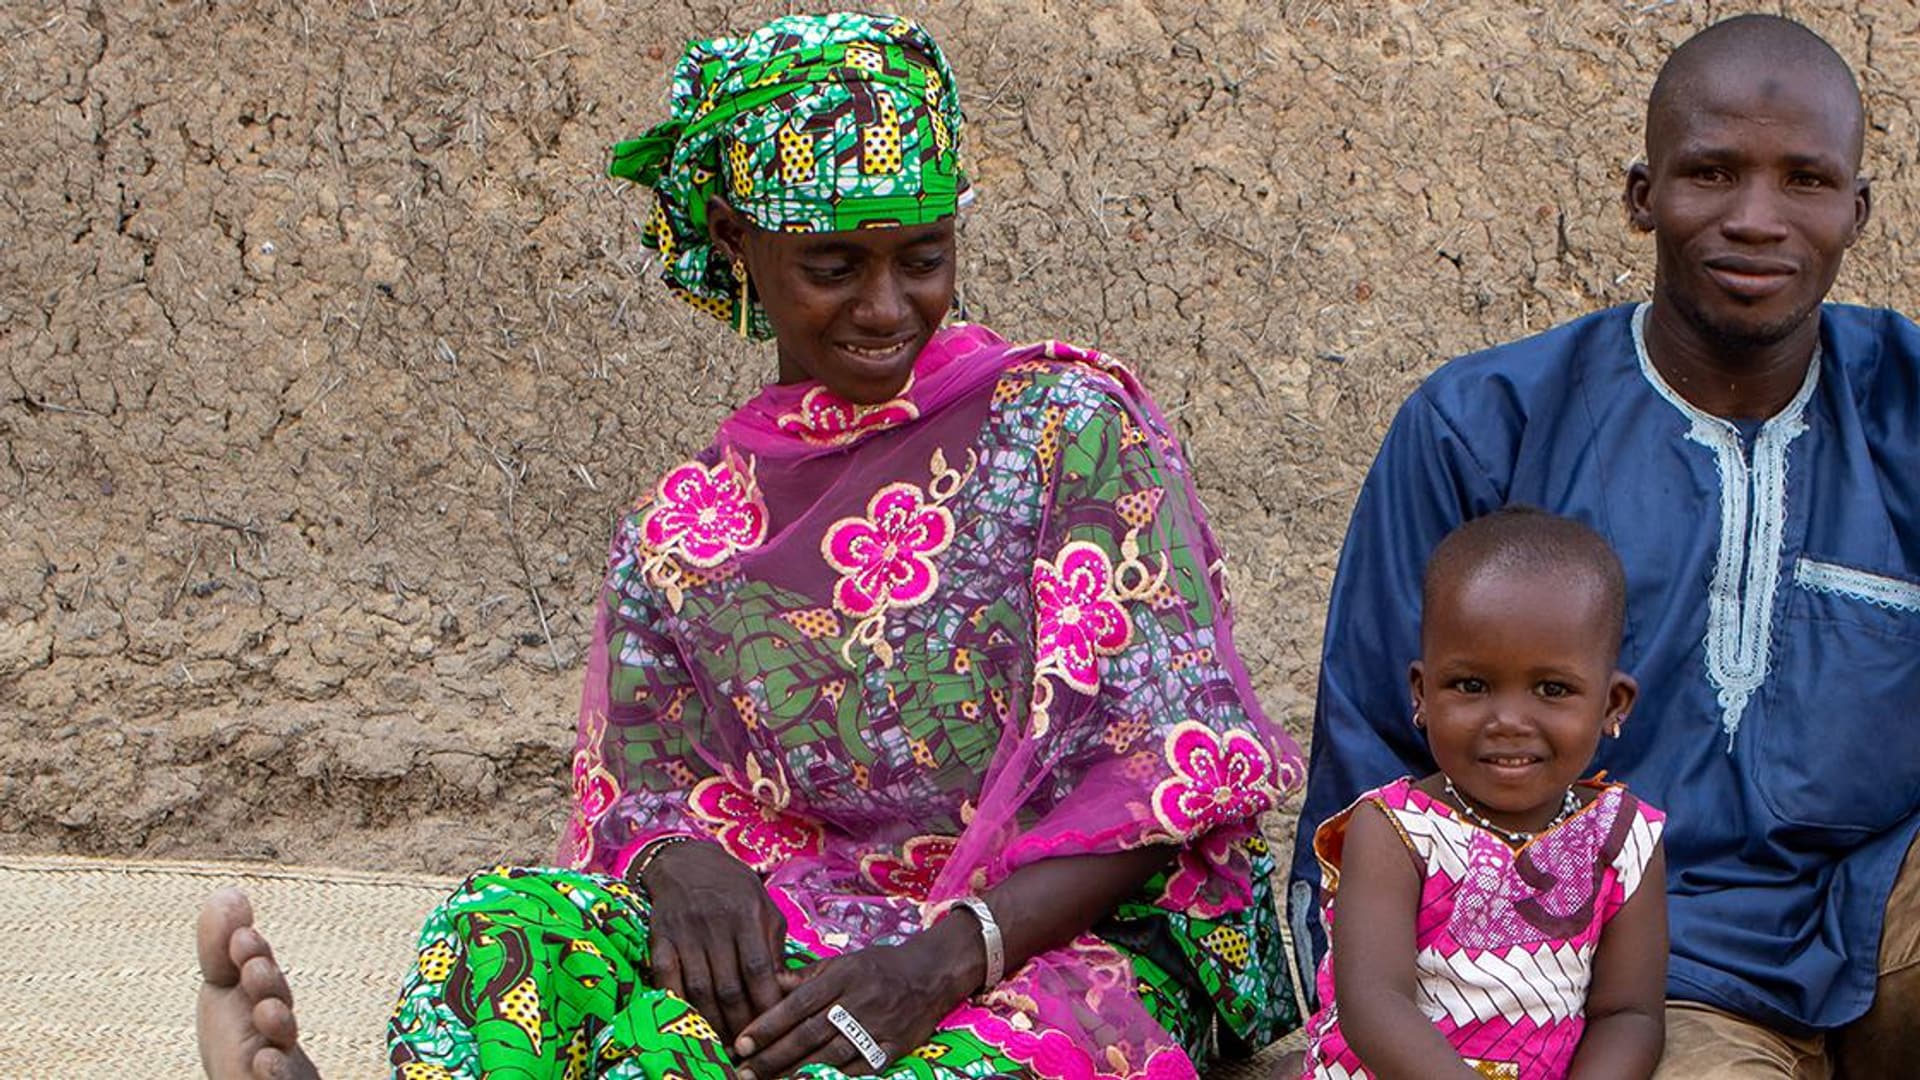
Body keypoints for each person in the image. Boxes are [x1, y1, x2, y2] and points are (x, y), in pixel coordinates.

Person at [197, 12, 1304, 1080]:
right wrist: (683, 868)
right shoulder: (685, 535)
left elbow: (1170, 764)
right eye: (833, 266)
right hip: (817, 913)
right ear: (737, 240)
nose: (887, 307)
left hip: (1075, 939)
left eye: (922, 256)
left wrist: (935, 963)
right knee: (503, 934)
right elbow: (643, 797)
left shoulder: (1070, 433)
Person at [1288, 13, 1919, 1079]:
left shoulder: (1906, 403)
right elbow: (1369, 781)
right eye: (1711, 173)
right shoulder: (1482, 427)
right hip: (1635, 979)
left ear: (1856, 209)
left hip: (1879, 915)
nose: (1757, 219)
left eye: (1805, 181)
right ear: (1642, 197)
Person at [1299, 508, 1667, 1079]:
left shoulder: (1624, 839)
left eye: (1553, 689)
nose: (1509, 721)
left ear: (1613, 705)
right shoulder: (1397, 831)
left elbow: (1629, 1014)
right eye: (1471, 686)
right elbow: (1374, 1005)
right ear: (1422, 694)